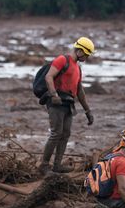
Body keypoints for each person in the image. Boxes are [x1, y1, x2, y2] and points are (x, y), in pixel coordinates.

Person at [38, 37, 95, 174]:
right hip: (56, 102)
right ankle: (44, 165)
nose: (86, 57)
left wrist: (88, 111)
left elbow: (79, 90)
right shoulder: (62, 60)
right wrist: (54, 95)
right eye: (86, 54)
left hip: (68, 104)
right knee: (56, 133)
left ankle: (57, 165)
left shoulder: (77, 68)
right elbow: (49, 77)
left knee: (65, 134)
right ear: (80, 51)